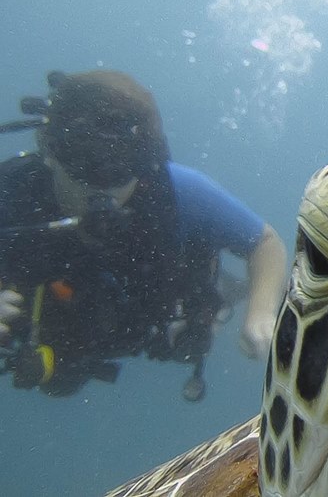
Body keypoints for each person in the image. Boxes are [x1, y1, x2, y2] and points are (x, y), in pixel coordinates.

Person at [0, 70, 288, 400]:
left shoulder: (175, 188)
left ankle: (224, 292)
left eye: (119, 180)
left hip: (160, 306)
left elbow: (264, 242)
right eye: (83, 179)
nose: (101, 201)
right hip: (67, 340)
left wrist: (261, 313)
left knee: (205, 304)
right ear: (49, 154)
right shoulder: (13, 192)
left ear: (144, 162)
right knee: (61, 381)